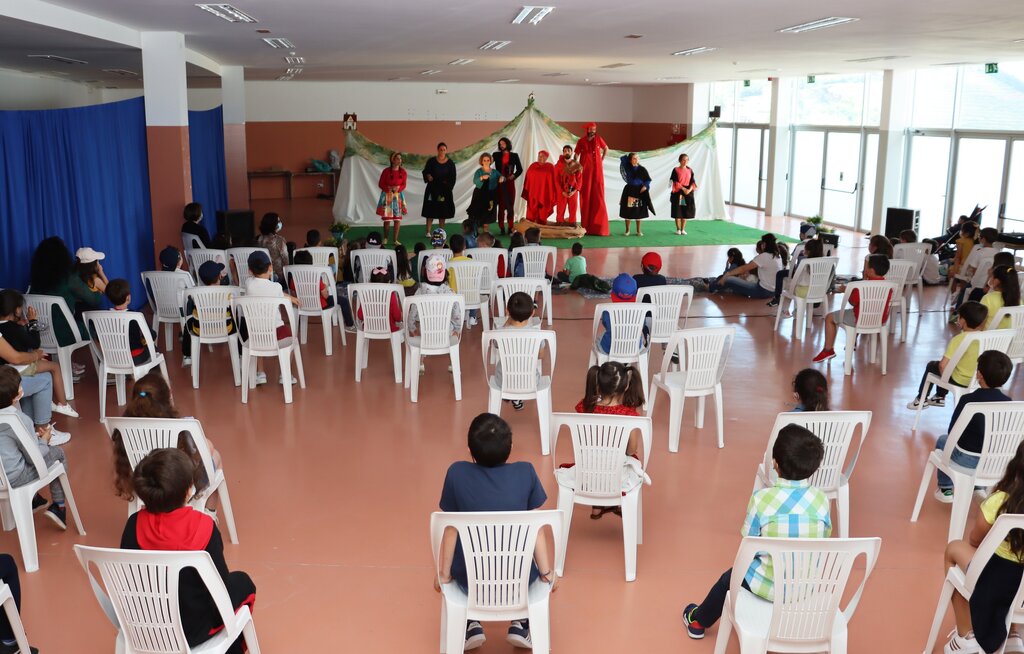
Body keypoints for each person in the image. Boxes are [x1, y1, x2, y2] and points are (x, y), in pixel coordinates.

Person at [682, 424, 829, 638]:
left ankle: (697, 621)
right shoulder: (822, 501)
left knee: (728, 579)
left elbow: (749, 542)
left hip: (766, 587)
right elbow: (824, 537)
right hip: (804, 589)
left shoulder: (762, 500)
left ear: (775, 463)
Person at [436, 413, 554, 650]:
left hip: (470, 576)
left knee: (464, 573)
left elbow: (451, 529)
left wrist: (444, 574)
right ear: (510, 446)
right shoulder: (526, 472)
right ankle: (521, 623)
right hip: (517, 576)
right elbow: (536, 528)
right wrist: (546, 572)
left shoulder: (457, 473)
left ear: (469, 449)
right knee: (526, 575)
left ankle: (470, 623)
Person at [120, 448, 256, 654]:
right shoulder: (205, 528)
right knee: (243, 582)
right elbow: (219, 584)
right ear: (188, 491)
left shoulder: (133, 525)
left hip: (147, 626)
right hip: (195, 630)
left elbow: (130, 579)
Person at [941, 438, 1024, 654]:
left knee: (953, 549)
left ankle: (966, 634)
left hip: (995, 576)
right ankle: (1014, 633)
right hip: (1022, 590)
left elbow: (975, 539)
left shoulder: (1001, 501)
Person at [113, 373, 223, 505]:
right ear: (169, 396)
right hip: (178, 486)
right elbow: (204, 451)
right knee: (215, 455)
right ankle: (210, 512)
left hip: (146, 484)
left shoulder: (122, 428)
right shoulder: (183, 426)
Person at [932, 350, 1013, 503]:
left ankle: (946, 488)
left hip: (967, 461)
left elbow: (953, 432)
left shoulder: (968, 400)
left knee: (943, 440)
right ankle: (978, 487)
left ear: (979, 374)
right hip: (995, 462)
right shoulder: (1008, 402)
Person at [0, 365, 71, 531]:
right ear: (17, 395)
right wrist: (44, 440)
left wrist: (34, 439)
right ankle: (59, 507)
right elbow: (35, 456)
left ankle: (34, 501)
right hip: (15, 478)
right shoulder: (18, 419)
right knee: (58, 453)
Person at [574, 361, 648, 517]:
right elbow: (631, 449)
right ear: (626, 386)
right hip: (617, 474)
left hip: (588, 471)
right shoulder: (629, 415)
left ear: (598, 384)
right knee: (624, 460)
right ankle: (618, 503)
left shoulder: (584, 407)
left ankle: (597, 506)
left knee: (598, 457)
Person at [0, 289, 78, 418]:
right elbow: (34, 343)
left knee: (44, 366)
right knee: (54, 367)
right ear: (17, 310)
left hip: (6, 370)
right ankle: (63, 404)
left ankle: (47, 406)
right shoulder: (15, 328)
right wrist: (33, 322)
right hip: (19, 368)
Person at [906, 301, 988, 410]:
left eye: (959, 316)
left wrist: (944, 383)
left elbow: (942, 366)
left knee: (932, 366)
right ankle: (938, 397)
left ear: (962, 320)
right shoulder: (986, 338)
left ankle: (922, 399)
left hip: (959, 380)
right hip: (977, 379)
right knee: (951, 367)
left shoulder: (958, 339)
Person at [812, 254, 892, 363]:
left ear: (871, 270)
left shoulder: (861, 286)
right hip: (879, 320)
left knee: (829, 318)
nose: (864, 270)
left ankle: (828, 350)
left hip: (859, 318)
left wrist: (847, 291)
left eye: (866, 267)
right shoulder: (889, 285)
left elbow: (853, 302)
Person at [243, 251, 300, 385]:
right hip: (277, 332)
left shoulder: (248, 284)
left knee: (258, 337)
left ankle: (260, 373)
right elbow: (279, 294)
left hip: (255, 333)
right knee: (293, 340)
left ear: (249, 271)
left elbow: (262, 287)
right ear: (270, 267)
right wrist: (291, 297)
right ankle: (285, 374)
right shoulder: (276, 287)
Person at [29, 236, 92, 357]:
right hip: (65, 335)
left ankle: (66, 363)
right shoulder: (69, 278)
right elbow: (95, 299)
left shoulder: (35, 283)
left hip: (40, 336)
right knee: (92, 327)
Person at [181, 261, 236, 364]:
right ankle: (240, 354)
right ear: (220, 276)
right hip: (225, 329)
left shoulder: (195, 294)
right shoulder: (228, 293)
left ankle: (187, 356)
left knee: (187, 325)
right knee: (238, 321)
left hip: (201, 330)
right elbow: (233, 311)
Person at [494, 292, 538, 411]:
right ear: (532, 312)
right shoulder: (537, 335)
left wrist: (506, 323)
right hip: (530, 380)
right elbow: (541, 355)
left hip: (503, 379)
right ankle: (517, 397)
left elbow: (495, 344)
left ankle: (511, 394)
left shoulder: (499, 333)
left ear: (507, 311)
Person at [708, 234, 786, 299]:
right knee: (736, 281)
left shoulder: (764, 256)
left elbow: (743, 268)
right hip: (773, 292)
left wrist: (727, 274)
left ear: (764, 245)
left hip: (762, 291)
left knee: (728, 279)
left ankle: (710, 287)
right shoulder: (777, 256)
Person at [596, 274, 649, 355]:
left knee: (600, 338)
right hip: (634, 348)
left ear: (613, 293)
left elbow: (606, 325)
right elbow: (643, 325)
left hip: (610, 348)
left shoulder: (607, 310)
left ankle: (605, 365)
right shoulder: (641, 311)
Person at [104, 279, 153, 366]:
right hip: (135, 358)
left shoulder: (104, 316)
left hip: (114, 358)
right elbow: (151, 335)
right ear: (128, 297)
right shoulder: (136, 315)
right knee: (153, 349)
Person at [953, 227, 1001, 312]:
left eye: (979, 237)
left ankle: (957, 312)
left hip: (976, 286)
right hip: (990, 286)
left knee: (963, 290)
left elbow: (973, 270)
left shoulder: (979, 252)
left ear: (983, 239)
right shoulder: (998, 252)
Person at [574, 122, 610, 236]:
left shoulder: (599, 138)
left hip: (597, 171)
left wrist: (602, 159)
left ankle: (599, 227)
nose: (593, 131)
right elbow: (576, 154)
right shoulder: (581, 141)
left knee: (598, 195)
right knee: (586, 195)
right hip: (585, 171)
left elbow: (606, 148)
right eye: (591, 129)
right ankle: (586, 226)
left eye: (594, 129)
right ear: (587, 130)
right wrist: (576, 164)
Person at [768, 238, 825, 308]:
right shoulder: (825, 263)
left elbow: (799, 280)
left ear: (809, 251)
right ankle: (797, 312)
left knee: (789, 283)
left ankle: (778, 299)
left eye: (805, 249)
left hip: (803, 293)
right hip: (819, 293)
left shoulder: (805, 263)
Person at [422, 142, 457, 236]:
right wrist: (428, 175)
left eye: (444, 150)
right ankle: (428, 232)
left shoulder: (450, 163)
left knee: (443, 211)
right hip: (432, 189)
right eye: (440, 149)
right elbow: (426, 171)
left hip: (444, 191)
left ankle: (441, 231)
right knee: (430, 211)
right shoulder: (431, 161)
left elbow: (453, 177)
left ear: (446, 151)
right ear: (437, 150)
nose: (442, 151)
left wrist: (448, 185)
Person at [492, 138, 523, 235]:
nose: (501, 145)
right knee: (501, 206)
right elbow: (487, 163)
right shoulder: (496, 155)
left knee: (510, 205)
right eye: (500, 144)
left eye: (503, 143)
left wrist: (513, 176)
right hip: (500, 183)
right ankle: (501, 228)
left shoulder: (514, 155)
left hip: (510, 183)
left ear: (507, 144)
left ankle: (510, 227)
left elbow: (520, 169)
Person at [376, 152, 408, 246]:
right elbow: (381, 184)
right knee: (387, 219)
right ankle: (385, 238)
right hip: (388, 196)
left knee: (397, 219)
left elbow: (404, 184)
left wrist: (398, 188)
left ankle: (395, 240)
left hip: (398, 197)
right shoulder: (386, 171)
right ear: (392, 160)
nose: (399, 160)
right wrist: (388, 189)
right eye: (397, 158)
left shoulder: (403, 172)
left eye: (400, 158)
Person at [618, 152, 654, 237]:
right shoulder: (628, 167)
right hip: (629, 190)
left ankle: (638, 230)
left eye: (637, 158)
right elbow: (623, 158)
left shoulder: (642, 169)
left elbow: (648, 180)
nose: (636, 159)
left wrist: (645, 186)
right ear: (630, 160)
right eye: (634, 158)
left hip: (639, 191)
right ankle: (627, 230)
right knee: (628, 211)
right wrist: (629, 155)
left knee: (639, 211)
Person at [521, 151, 558, 224]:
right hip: (533, 192)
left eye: (542, 156)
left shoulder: (550, 167)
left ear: (546, 158)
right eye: (539, 156)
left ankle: (541, 225)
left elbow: (554, 180)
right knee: (531, 210)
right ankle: (530, 226)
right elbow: (527, 178)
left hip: (544, 193)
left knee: (543, 210)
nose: (540, 158)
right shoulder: (533, 166)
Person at [981, 264, 1021, 329]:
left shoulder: (988, 298)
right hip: (1009, 338)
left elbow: (979, 323)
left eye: (992, 276)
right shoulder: (1019, 301)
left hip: (986, 337)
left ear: (996, 281)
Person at [467, 153, 499, 235]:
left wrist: (502, 178)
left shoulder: (494, 172)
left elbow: (502, 177)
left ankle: (485, 233)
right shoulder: (479, 171)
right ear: (481, 161)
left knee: (488, 213)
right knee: (477, 213)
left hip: (490, 195)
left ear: (490, 161)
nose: (486, 162)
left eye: (488, 160)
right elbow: (475, 181)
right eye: (484, 160)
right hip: (479, 195)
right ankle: (476, 232)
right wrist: (481, 177)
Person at [255, 212, 289, 284]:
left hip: (262, 274)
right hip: (278, 277)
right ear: (273, 225)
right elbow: (286, 260)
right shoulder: (279, 241)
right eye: (278, 221)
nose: (280, 223)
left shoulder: (259, 239)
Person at [670, 153, 697, 235]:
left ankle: (683, 229)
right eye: (683, 160)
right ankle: (678, 229)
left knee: (685, 211)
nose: (685, 161)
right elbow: (675, 181)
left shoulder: (690, 170)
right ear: (680, 160)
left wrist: (689, 190)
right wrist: (683, 188)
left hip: (688, 193)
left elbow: (693, 182)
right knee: (678, 210)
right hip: (679, 192)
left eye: (687, 160)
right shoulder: (676, 170)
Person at [554, 145, 582, 224]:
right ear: (563, 153)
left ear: (571, 152)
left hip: (573, 191)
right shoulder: (558, 165)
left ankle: (572, 224)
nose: (567, 152)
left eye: (568, 151)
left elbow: (579, 180)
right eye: (565, 151)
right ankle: (559, 224)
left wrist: (575, 191)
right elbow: (556, 180)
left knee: (573, 210)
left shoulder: (577, 165)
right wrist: (562, 191)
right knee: (560, 209)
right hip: (562, 192)